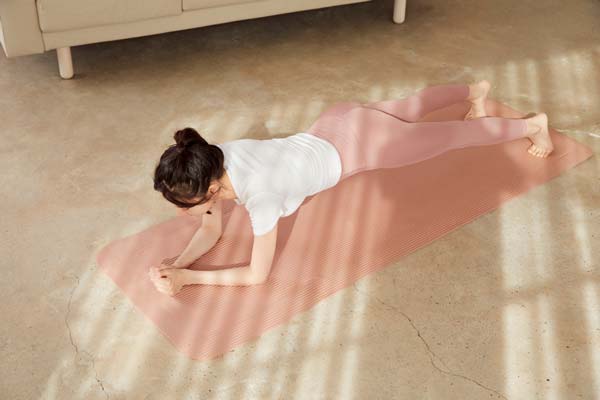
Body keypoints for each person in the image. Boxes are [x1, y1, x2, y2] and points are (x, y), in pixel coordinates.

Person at [149, 80, 554, 295]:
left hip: (369, 144)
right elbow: (211, 229)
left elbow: (257, 276)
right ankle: (475, 91)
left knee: (453, 136)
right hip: (337, 121)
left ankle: (533, 126)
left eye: (185, 203)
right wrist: (179, 265)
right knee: (411, 106)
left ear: (211, 190)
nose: (183, 211)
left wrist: (189, 280)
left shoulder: (262, 197)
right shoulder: (212, 157)